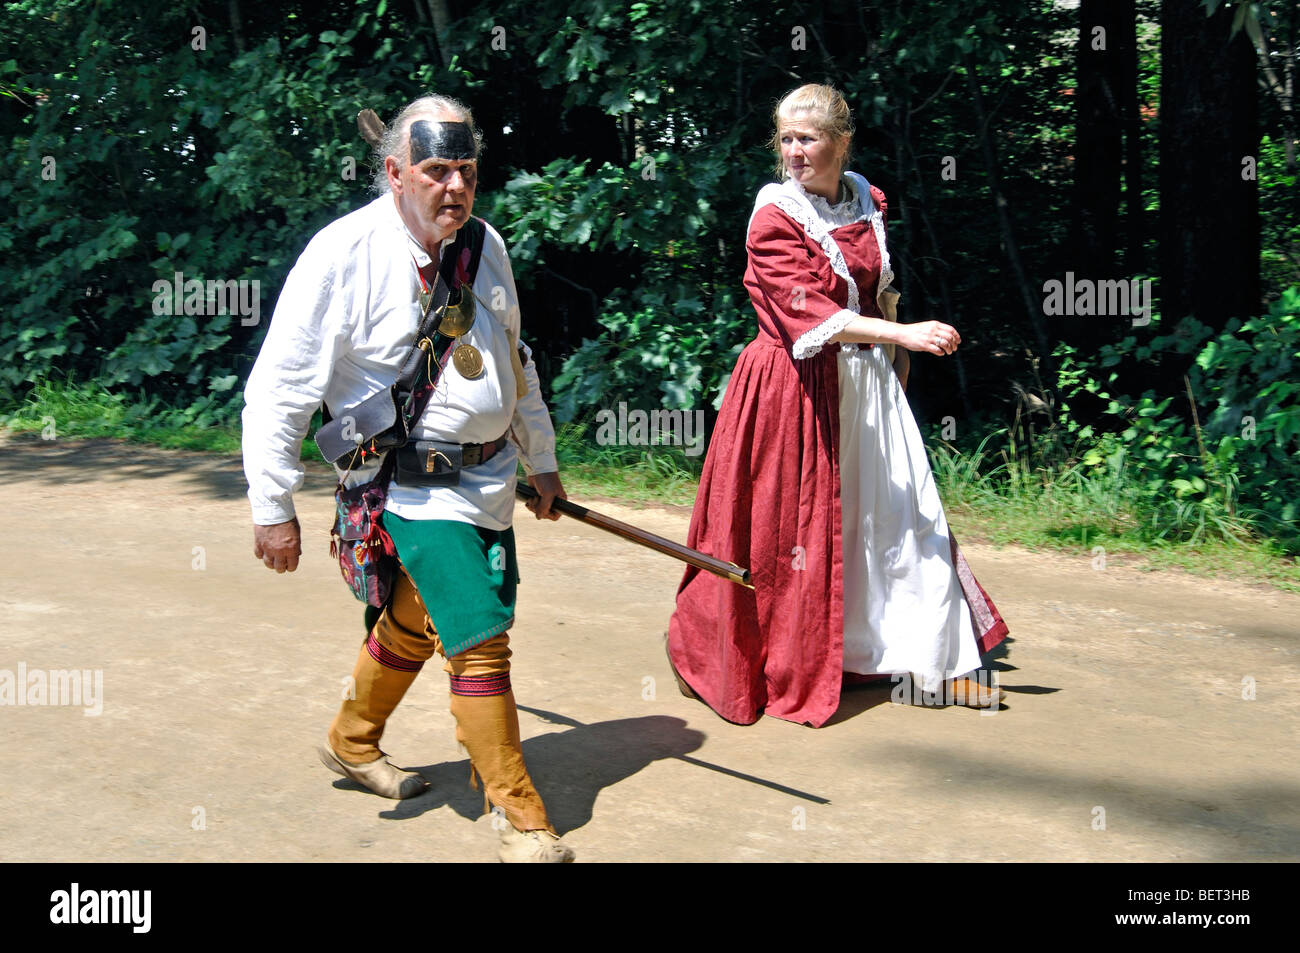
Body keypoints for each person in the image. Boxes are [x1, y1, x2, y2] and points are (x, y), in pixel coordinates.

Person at [242, 94, 575, 862]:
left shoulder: (484, 246)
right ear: (394, 172)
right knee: (480, 643)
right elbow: (281, 387)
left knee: (417, 620)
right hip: (407, 489)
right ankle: (518, 813)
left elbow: (514, 357)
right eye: (434, 170)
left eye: (465, 169)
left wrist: (542, 456)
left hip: (488, 483)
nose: (453, 186)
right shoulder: (341, 254)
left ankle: (352, 741)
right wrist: (272, 503)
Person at [666, 84, 1009, 728]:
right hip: (792, 388)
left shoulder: (863, 198)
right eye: (786, 139)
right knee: (789, 531)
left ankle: (936, 660)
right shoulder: (774, 217)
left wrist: (897, 357)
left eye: (808, 138)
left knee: (901, 514)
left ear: (841, 141)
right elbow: (809, 313)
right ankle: (749, 651)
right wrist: (902, 337)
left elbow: (879, 293)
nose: (794, 152)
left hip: (869, 384)